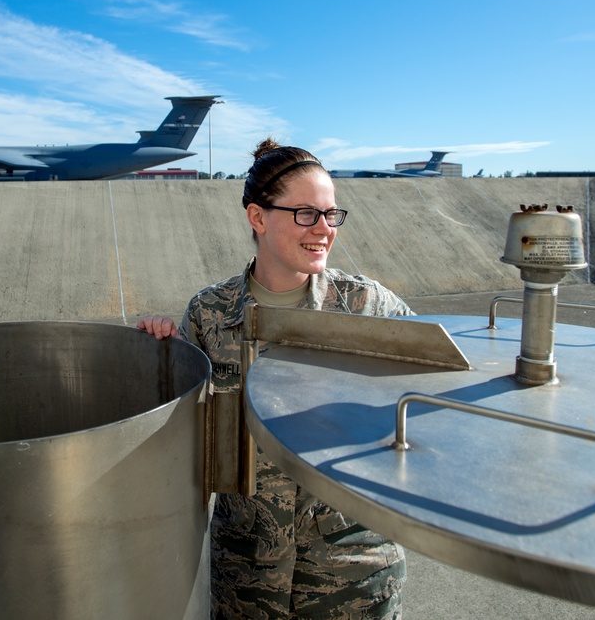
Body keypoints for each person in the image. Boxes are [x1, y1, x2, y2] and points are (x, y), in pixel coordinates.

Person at [138, 138, 412, 619]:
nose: (324, 229)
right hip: (245, 574)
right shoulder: (209, 313)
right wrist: (157, 351)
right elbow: (178, 432)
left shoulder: (367, 307)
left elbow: (438, 382)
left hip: (350, 572)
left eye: (331, 214)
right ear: (258, 218)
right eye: (306, 214)